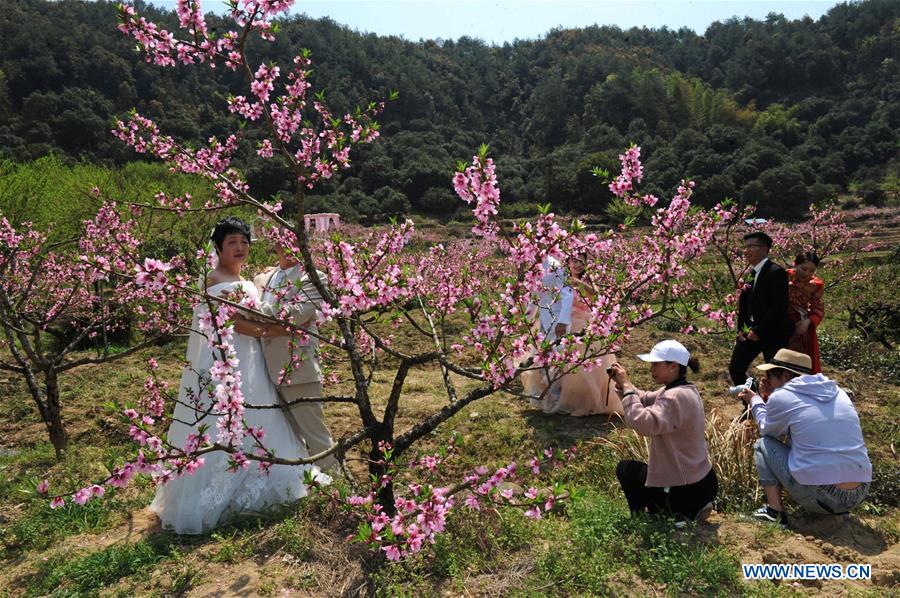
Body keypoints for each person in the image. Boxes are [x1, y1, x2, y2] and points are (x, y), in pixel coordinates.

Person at [151, 217, 327, 534]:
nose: (240, 247)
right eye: (232, 242)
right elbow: (230, 321)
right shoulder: (213, 278)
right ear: (217, 247)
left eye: (244, 242)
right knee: (225, 421)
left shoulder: (252, 280)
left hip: (253, 359)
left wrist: (269, 329)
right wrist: (269, 330)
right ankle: (222, 495)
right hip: (226, 360)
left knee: (261, 418)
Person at [738, 349, 871, 527]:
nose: (767, 380)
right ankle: (838, 510)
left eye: (770, 375)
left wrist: (755, 401)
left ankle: (775, 512)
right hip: (860, 492)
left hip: (823, 497)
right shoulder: (838, 391)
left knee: (764, 444)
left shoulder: (783, 396)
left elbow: (766, 429)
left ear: (785, 375)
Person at [610, 340, 717, 526]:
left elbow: (641, 422)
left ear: (673, 366)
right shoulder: (684, 389)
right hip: (703, 483)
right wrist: (623, 384)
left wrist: (627, 387)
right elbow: (643, 398)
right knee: (637, 472)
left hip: (684, 490)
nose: (651, 368)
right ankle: (691, 509)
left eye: (655, 364)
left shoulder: (673, 397)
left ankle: (652, 517)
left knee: (626, 469)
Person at [254, 239, 337, 470]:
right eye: (283, 242)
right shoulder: (264, 278)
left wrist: (248, 308)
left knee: (316, 434)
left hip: (297, 366)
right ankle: (304, 486)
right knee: (286, 436)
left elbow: (293, 316)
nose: (289, 247)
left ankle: (339, 489)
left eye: (296, 242)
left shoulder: (313, 278)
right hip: (264, 369)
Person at [524, 256, 621, 416]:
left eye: (581, 262)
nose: (577, 265)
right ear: (568, 263)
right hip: (565, 322)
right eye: (574, 261)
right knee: (561, 362)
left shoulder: (586, 280)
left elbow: (596, 296)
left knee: (583, 365)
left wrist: (579, 283)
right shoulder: (560, 276)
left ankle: (582, 399)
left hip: (582, 324)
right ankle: (559, 396)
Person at [729, 232, 793, 410]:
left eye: (751, 246)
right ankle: (754, 404)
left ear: (764, 249)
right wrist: (741, 330)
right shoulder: (751, 273)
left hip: (773, 333)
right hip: (750, 332)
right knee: (736, 367)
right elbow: (744, 306)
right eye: (745, 247)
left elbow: (778, 307)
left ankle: (779, 409)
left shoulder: (776, 272)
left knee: (776, 374)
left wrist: (759, 330)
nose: (746, 251)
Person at [523, 255, 574, 407]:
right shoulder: (532, 264)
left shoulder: (555, 265)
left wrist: (563, 321)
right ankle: (549, 395)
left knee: (556, 358)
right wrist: (527, 316)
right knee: (543, 357)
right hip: (544, 318)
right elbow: (535, 296)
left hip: (557, 319)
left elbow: (567, 293)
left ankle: (558, 398)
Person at [787, 252, 825, 374]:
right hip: (779, 319)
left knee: (798, 363)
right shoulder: (783, 277)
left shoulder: (815, 285)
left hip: (800, 324)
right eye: (803, 269)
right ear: (795, 265)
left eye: (811, 271)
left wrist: (807, 322)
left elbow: (818, 308)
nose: (807, 274)